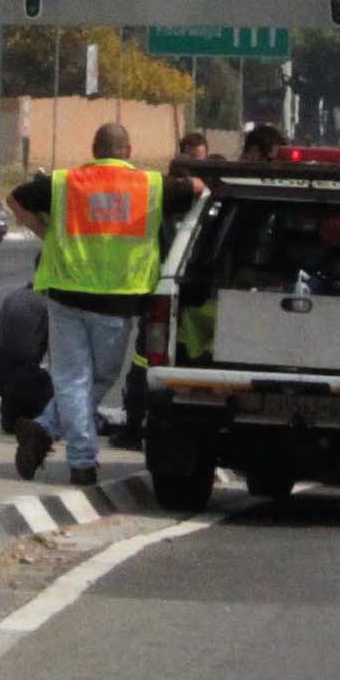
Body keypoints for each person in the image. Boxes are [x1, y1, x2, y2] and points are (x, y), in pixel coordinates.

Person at [7, 123, 204, 485]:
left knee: (72, 379)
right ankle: (81, 460)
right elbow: (197, 188)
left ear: (94, 149)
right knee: (98, 378)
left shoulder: (65, 182)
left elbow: (16, 197)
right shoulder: (151, 185)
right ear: (128, 151)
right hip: (118, 300)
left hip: (66, 292)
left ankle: (43, 427)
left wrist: (43, 231)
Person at [116, 129, 213, 450]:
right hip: (174, 296)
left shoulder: (197, 208)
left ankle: (136, 427)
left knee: (154, 363)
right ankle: (137, 425)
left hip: (172, 296)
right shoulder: (197, 206)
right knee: (158, 362)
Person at [0, 265, 53, 435]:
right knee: (68, 386)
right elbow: (59, 356)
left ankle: (13, 418)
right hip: (23, 380)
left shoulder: (14, 296)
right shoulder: (47, 304)